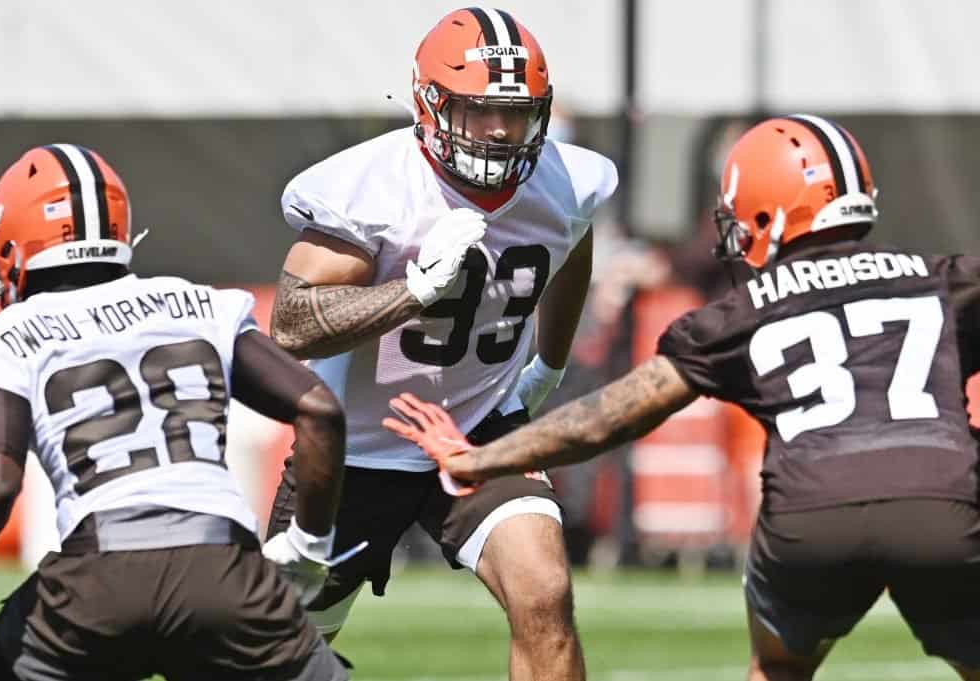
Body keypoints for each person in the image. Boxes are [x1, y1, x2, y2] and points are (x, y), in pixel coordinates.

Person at [383, 114, 980, 681]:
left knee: (780, 668)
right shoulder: (946, 279)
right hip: (944, 499)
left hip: (811, 513)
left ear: (768, 214)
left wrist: (482, 456)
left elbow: (607, 417)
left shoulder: (745, 311)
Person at [265, 7, 617, 680]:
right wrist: (411, 292)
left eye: (513, 113)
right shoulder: (371, 190)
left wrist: (549, 361)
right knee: (275, 654)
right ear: (428, 104)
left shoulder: (566, 182)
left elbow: (572, 245)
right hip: (357, 447)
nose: (497, 130)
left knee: (544, 590)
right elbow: (292, 321)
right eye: (476, 110)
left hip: (479, 422)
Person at [0, 144, 350, 681]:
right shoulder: (201, 305)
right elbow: (320, 410)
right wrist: (308, 548)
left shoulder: (3, 340)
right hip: (225, 573)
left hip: (94, 583)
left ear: (12, 244)